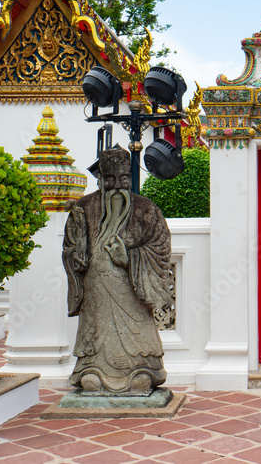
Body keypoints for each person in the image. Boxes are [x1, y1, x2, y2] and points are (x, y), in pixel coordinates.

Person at [62, 147, 174, 395]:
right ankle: (91, 370)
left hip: (131, 295)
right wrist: (75, 259)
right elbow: (69, 246)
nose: (116, 186)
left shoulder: (146, 210)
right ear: (100, 178)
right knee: (91, 380)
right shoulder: (83, 209)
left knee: (140, 379)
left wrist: (131, 258)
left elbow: (161, 248)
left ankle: (143, 370)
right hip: (96, 296)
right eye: (109, 179)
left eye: (123, 179)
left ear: (130, 177)